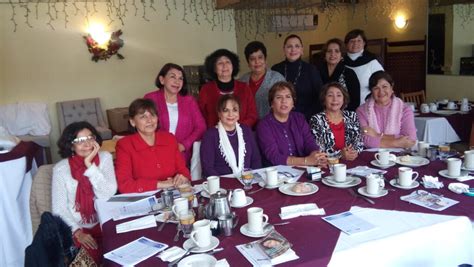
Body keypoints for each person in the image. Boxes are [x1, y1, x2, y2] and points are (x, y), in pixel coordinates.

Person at [52, 121, 117, 265]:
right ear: (71, 145)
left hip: (105, 222)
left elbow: (107, 194)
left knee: (117, 254)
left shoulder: (105, 158)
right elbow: (58, 208)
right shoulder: (60, 169)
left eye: (90, 137)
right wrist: (77, 232)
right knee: (90, 259)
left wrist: (90, 165)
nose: (87, 143)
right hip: (78, 227)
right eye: (80, 140)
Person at [115, 98, 190, 193]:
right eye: (143, 117)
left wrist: (183, 177)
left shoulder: (169, 139)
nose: (149, 120)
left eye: (152, 115)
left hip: (174, 194)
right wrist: (161, 184)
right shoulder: (125, 145)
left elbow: (184, 171)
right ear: (132, 122)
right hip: (145, 199)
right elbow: (124, 185)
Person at [144, 63, 206, 164]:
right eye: (173, 77)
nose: (177, 81)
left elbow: (201, 127)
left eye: (180, 78)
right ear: (162, 80)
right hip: (156, 153)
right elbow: (144, 126)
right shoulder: (150, 98)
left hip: (183, 155)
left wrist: (184, 145)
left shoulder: (189, 101)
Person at [256, 81, 327, 167]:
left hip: (302, 169)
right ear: (272, 103)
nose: (284, 101)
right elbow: (274, 157)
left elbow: (309, 143)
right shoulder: (264, 125)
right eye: (279, 97)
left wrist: (316, 155)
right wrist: (306, 161)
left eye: (288, 97)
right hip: (276, 173)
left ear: (293, 103)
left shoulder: (299, 118)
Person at [200, 94, 261, 177]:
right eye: (226, 110)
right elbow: (208, 168)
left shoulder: (246, 130)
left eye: (235, 110)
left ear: (239, 113)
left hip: (248, 180)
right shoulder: (210, 135)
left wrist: (251, 179)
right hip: (222, 185)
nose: (231, 114)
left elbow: (256, 160)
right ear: (219, 113)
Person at [199, 49, 257, 128]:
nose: (224, 66)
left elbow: (252, 115)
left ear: (233, 66)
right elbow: (201, 116)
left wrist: (237, 129)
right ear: (214, 69)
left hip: (241, 133)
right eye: (220, 63)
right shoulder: (206, 89)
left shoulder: (244, 88)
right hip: (215, 135)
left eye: (228, 62)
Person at [357, 71, 417, 148]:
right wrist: (397, 143)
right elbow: (363, 139)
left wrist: (376, 135)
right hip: (372, 156)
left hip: (399, 157)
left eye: (384, 86)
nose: (381, 92)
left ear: (391, 88)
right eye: (376, 88)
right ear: (371, 91)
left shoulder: (404, 109)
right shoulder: (362, 111)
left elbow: (410, 139)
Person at [272, 34, 323, 120]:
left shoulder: (311, 69)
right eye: (289, 46)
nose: (293, 49)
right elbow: (272, 97)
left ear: (302, 49)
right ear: (284, 49)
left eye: (297, 46)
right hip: (280, 118)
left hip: (307, 118)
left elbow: (320, 96)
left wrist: (304, 117)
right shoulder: (276, 69)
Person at [310, 82, 363, 161]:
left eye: (339, 95)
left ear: (344, 99)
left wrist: (353, 153)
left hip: (352, 161)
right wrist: (340, 155)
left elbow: (359, 143)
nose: (335, 99)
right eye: (330, 95)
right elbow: (319, 150)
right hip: (329, 164)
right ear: (324, 99)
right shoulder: (316, 119)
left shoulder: (352, 116)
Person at [239, 41, 285, 118]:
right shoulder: (242, 80)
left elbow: (284, 105)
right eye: (252, 59)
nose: (257, 62)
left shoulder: (277, 79)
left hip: (271, 125)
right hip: (247, 125)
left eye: (260, 57)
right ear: (248, 63)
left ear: (265, 59)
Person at [344, 29, 384, 105]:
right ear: (346, 44)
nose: (355, 43)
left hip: (366, 106)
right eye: (352, 41)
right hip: (343, 108)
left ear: (364, 43)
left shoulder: (372, 61)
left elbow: (382, 84)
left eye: (359, 41)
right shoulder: (340, 62)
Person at [319, 38, 360, 111]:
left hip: (343, 115)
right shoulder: (316, 72)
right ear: (325, 55)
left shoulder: (349, 73)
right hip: (320, 114)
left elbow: (355, 101)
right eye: (329, 51)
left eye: (337, 51)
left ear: (342, 55)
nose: (332, 54)